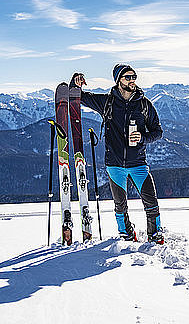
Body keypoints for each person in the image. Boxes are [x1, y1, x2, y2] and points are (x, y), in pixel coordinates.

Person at [70, 64, 164, 244]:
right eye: (128, 77)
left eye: (134, 77)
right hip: (114, 164)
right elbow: (79, 97)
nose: (132, 81)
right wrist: (75, 81)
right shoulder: (107, 102)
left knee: (151, 202)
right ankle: (126, 233)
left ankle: (155, 233)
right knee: (120, 206)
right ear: (118, 80)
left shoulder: (144, 104)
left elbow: (158, 131)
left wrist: (143, 137)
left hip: (138, 163)